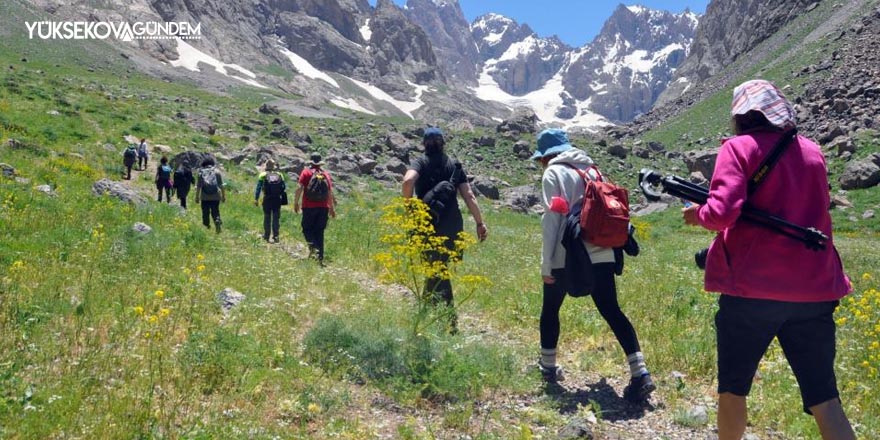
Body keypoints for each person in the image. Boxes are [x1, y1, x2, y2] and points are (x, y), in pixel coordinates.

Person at [682, 80, 855, 440]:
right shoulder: (812, 151)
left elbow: (722, 213)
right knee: (824, 396)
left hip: (752, 291)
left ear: (741, 116)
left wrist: (697, 214)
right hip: (816, 290)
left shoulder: (739, 148)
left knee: (733, 388)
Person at [530, 128, 654, 403]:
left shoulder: (553, 172)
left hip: (569, 253)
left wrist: (546, 264)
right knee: (612, 310)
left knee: (551, 309)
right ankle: (640, 373)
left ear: (545, 156)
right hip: (604, 249)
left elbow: (554, 220)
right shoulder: (592, 170)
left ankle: (548, 368)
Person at [402, 127, 488, 330]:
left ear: (424, 144)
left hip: (428, 223)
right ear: (443, 143)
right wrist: (479, 223)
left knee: (436, 270)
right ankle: (426, 311)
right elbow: (469, 196)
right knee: (438, 268)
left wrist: (408, 207)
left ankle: (450, 321)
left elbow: (407, 181)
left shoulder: (421, 162)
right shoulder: (454, 167)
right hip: (452, 226)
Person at [294, 154, 335, 264]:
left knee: (307, 229)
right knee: (319, 231)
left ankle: (314, 249)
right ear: (320, 163)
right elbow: (330, 192)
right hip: (323, 208)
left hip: (308, 207)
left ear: (311, 162)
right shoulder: (325, 174)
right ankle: (319, 257)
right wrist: (331, 208)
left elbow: (299, 188)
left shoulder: (306, 172)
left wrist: (296, 203)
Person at [254, 159, 286, 243]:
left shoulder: (263, 175)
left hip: (267, 198)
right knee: (276, 217)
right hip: (277, 199)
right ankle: (276, 236)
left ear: (266, 166)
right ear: (274, 166)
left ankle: (266, 235)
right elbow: (284, 187)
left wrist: (256, 199)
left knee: (267, 217)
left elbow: (258, 188)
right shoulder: (280, 175)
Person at [195, 157, 225, 233]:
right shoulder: (217, 172)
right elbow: (221, 185)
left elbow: (199, 186)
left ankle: (206, 226)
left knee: (205, 212)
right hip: (215, 196)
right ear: (212, 163)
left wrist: (197, 197)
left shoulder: (201, 172)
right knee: (215, 211)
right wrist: (223, 196)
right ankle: (217, 219)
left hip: (204, 196)